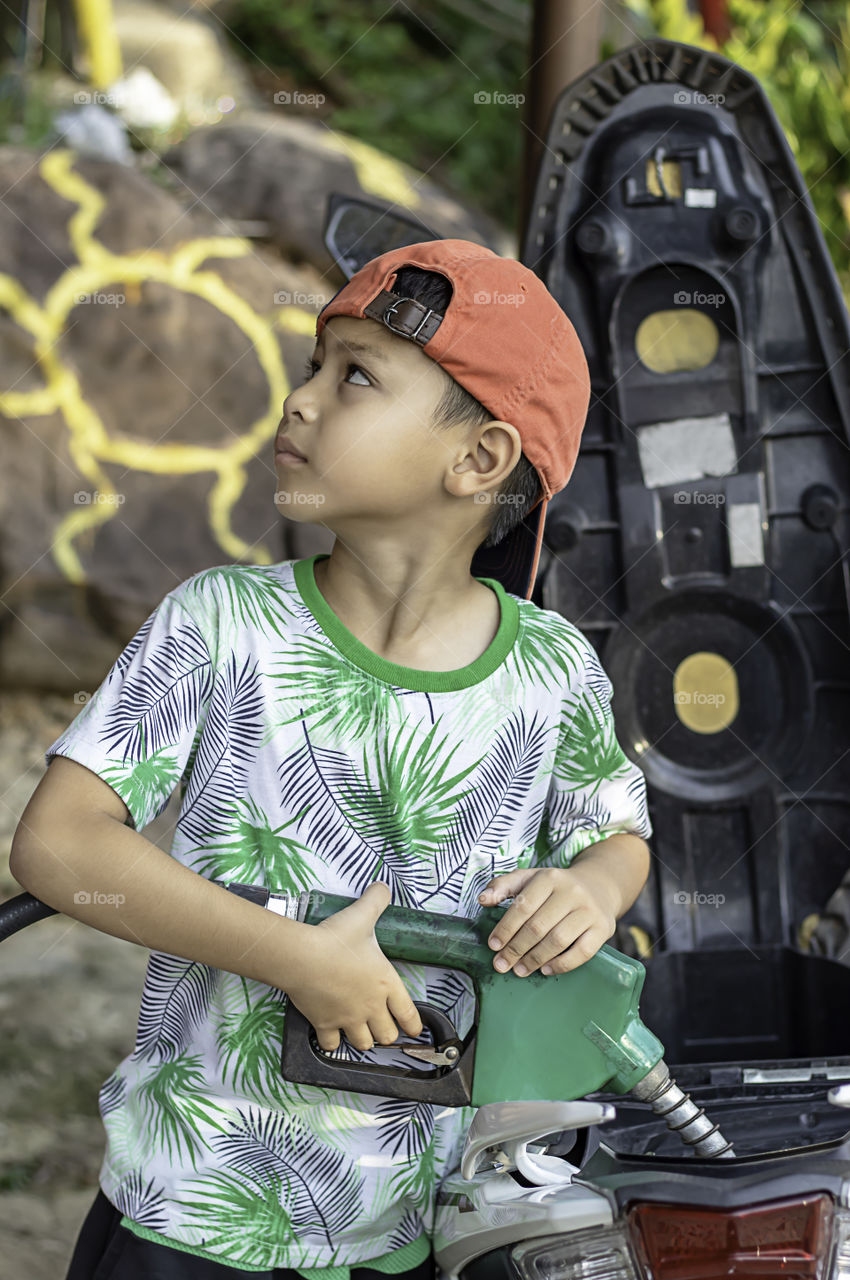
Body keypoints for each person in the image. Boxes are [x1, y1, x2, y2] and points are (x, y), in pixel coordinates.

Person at [9, 238, 652, 1279]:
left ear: (479, 459)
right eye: (316, 365)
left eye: (355, 376)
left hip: (413, 1230)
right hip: (188, 1212)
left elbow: (616, 836)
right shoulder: (222, 622)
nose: (299, 399)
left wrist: (592, 888)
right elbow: (58, 847)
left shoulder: (551, 669)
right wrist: (293, 956)